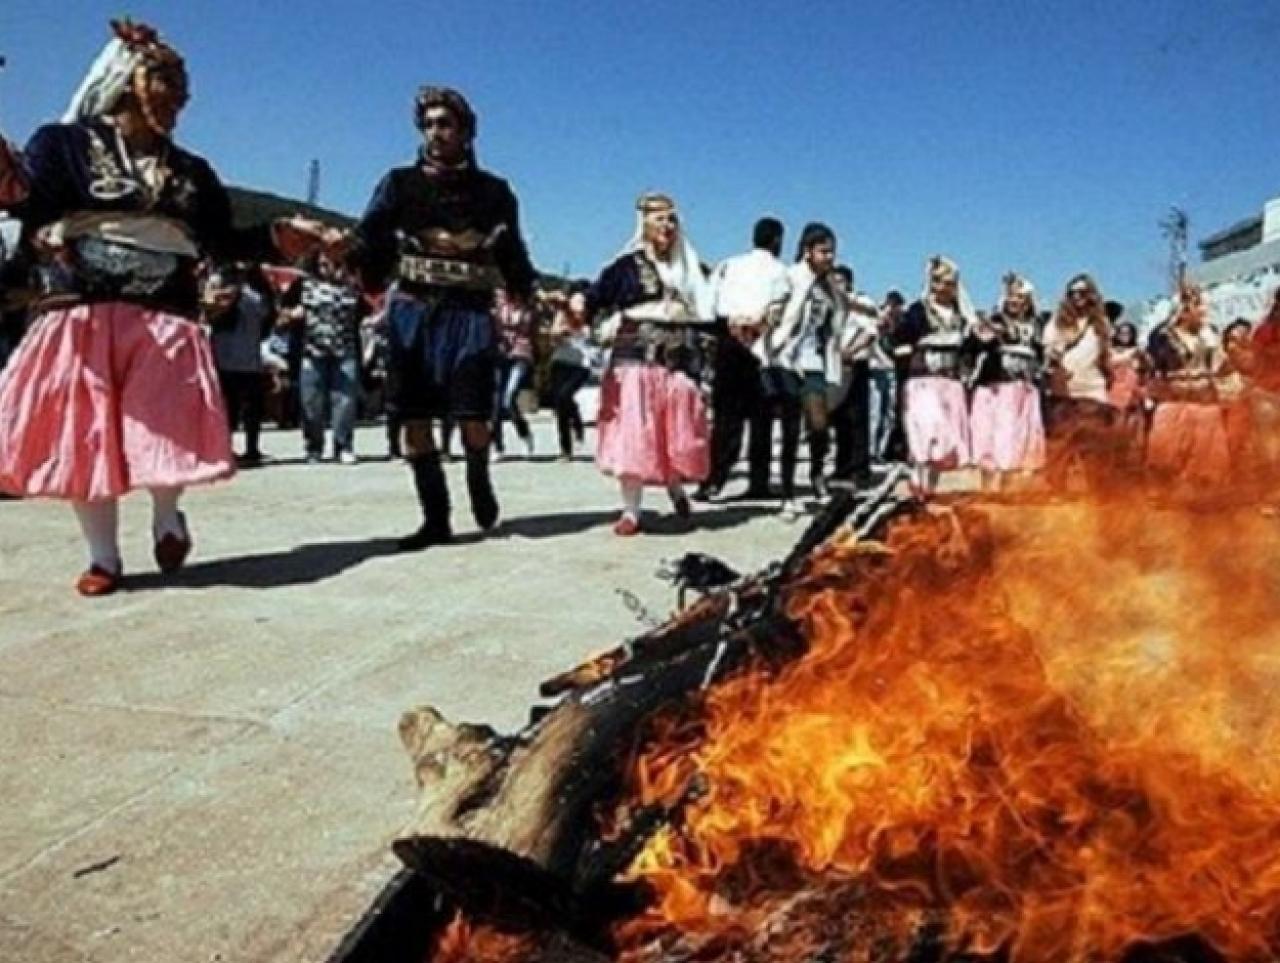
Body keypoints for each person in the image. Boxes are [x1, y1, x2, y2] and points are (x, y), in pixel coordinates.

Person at [0, 20, 284, 595]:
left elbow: (223, 239)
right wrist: (32, 221)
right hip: (81, 308)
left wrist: (278, 238)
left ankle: (166, 515)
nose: (181, 95)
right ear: (128, 80)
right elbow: (30, 206)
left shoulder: (192, 171)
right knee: (87, 435)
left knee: (165, 422)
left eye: (184, 85)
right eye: (168, 79)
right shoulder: (63, 145)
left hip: (166, 314)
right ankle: (103, 558)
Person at [344, 86, 537, 549]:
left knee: (473, 415)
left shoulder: (495, 191)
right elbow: (368, 236)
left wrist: (524, 290)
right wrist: (350, 257)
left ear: (466, 131)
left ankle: (478, 472)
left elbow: (513, 250)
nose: (436, 133)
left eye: (445, 124)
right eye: (429, 124)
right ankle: (436, 519)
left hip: (469, 311)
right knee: (413, 418)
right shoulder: (398, 183)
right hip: (413, 309)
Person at [587, 192, 713, 536]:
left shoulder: (693, 270)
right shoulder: (625, 267)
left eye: (672, 219)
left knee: (677, 431)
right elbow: (593, 297)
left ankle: (675, 487)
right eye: (659, 219)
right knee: (636, 434)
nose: (667, 226)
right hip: (635, 362)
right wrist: (571, 307)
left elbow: (713, 312)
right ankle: (632, 511)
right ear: (643, 223)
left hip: (678, 363)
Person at [754, 222, 846, 515]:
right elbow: (773, 308)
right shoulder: (790, 277)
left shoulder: (829, 287)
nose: (829, 257)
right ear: (807, 252)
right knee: (791, 427)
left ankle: (817, 472)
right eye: (823, 251)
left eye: (832, 252)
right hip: (785, 357)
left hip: (813, 360)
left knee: (819, 425)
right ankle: (789, 493)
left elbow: (838, 319)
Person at [700, 216, 789, 501]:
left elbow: (709, 301)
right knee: (761, 418)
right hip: (762, 344)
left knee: (726, 416)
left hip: (729, 339)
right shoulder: (781, 271)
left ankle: (713, 480)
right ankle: (758, 482)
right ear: (777, 240)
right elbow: (781, 309)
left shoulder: (729, 265)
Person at [893, 256, 978, 500]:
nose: (943, 286)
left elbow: (970, 348)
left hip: (949, 383)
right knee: (928, 431)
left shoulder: (961, 316)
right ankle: (917, 484)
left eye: (949, 282)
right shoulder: (918, 311)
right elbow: (900, 339)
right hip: (923, 381)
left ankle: (929, 489)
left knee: (944, 440)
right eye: (939, 281)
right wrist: (907, 351)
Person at [281, 249, 366, 464]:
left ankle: (343, 446)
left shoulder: (353, 287)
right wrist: (292, 315)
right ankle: (314, 447)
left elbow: (364, 314)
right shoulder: (303, 284)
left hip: (345, 351)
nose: (329, 266)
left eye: (335, 262)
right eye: (323, 262)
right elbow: (282, 309)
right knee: (311, 403)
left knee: (345, 402)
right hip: (311, 352)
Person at [1145, 282, 1229, 493]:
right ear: (1183, 310)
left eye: (1201, 305)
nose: (1201, 311)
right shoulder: (1164, 336)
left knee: (1205, 453)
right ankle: (1168, 490)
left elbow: (1221, 365)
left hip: (1203, 399)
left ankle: (1199, 494)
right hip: (1174, 399)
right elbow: (1153, 363)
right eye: (1195, 306)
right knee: (1168, 451)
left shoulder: (1209, 335)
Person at [967, 273, 1045, 493]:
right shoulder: (995, 322)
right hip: (996, 388)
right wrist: (981, 340)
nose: (1015, 301)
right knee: (993, 434)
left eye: (1020, 297)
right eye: (1011, 296)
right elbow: (974, 347)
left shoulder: (1036, 325)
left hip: (1023, 388)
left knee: (1017, 438)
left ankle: (1006, 488)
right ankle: (987, 487)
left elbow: (1041, 354)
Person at [1041, 273, 1118, 494]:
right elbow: (1049, 351)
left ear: (1092, 295)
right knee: (1060, 445)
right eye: (1072, 293)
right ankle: (1056, 492)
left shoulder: (1101, 325)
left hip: (1093, 389)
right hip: (1063, 391)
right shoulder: (1057, 323)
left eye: (1082, 292)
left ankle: (1096, 494)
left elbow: (1106, 355)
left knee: (1095, 446)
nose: (1077, 298)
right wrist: (1053, 358)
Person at [203, 265, 271, 467]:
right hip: (225, 357)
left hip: (251, 356)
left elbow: (267, 315)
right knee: (228, 407)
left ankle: (252, 449)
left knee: (253, 408)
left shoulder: (259, 286)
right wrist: (223, 298)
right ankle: (224, 448)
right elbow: (208, 310)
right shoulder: (218, 281)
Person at [828, 265, 879, 489]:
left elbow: (869, 332)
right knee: (840, 420)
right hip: (835, 366)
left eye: (839, 281)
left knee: (857, 419)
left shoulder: (861, 303)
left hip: (856, 363)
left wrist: (849, 351)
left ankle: (859, 469)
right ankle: (842, 467)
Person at [545, 288, 593, 460]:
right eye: (576, 303)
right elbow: (553, 338)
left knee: (565, 396)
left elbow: (576, 322)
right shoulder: (559, 316)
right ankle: (566, 448)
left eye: (582, 304)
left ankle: (577, 422)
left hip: (580, 366)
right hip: (560, 363)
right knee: (559, 404)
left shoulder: (584, 325)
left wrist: (565, 308)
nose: (579, 307)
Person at [491, 286, 536, 459]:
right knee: (495, 401)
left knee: (508, 398)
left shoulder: (528, 308)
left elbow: (531, 331)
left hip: (521, 353)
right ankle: (497, 445)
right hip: (500, 353)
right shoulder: (499, 304)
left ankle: (524, 434)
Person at [867, 290, 903, 468]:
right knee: (875, 412)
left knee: (888, 413)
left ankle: (880, 450)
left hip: (890, 369)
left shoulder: (897, 326)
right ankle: (871, 450)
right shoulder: (875, 322)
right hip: (876, 369)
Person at [1107, 320, 1149, 472]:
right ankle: (1114, 464)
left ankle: (1132, 466)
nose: (1125, 336)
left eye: (1128, 333)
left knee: (1134, 430)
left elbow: (1146, 370)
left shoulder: (1139, 352)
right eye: (1122, 332)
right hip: (1115, 393)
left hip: (1133, 392)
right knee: (1116, 431)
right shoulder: (1110, 351)